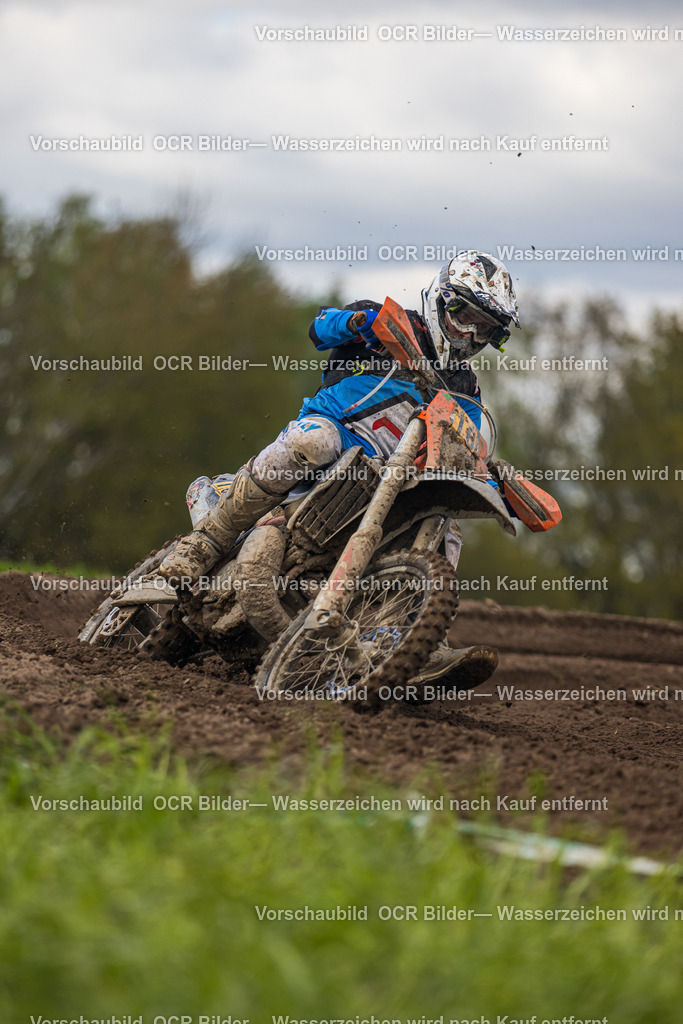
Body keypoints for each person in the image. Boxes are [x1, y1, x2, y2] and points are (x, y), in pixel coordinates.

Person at [159, 250, 520, 688]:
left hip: (392, 478)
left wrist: (489, 474)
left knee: (445, 526)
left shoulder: (468, 387)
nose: (471, 332)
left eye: (487, 327)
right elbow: (319, 327)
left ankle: (411, 639)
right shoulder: (390, 322)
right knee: (314, 440)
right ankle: (207, 541)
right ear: (442, 299)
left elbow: (468, 443)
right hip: (340, 435)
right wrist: (357, 324)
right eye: (466, 315)